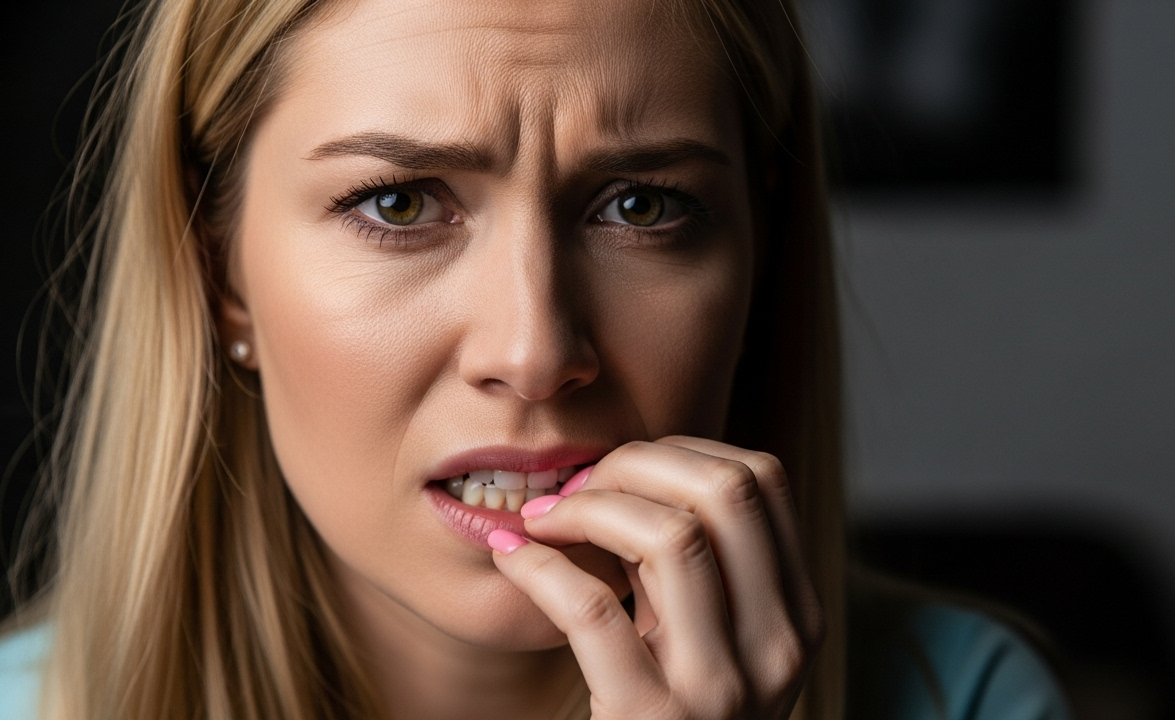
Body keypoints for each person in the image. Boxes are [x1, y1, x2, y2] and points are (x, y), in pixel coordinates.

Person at [0, 0, 1071, 718]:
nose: (535, 349)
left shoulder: (971, 698)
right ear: (221, 276)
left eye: (641, 206)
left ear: (758, 258)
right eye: (399, 203)